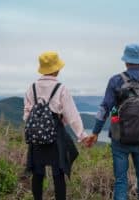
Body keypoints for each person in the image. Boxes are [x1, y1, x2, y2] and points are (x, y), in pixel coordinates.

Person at [88, 43, 139, 200]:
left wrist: (95, 132)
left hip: (119, 138)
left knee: (121, 181)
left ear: (125, 60)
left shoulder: (115, 81)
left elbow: (104, 109)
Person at [23, 51, 90, 200]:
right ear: (56, 69)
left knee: (38, 172)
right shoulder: (61, 89)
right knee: (58, 172)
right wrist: (82, 135)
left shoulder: (31, 88)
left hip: (36, 135)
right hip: (55, 134)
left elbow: (26, 114)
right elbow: (72, 115)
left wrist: (37, 124)